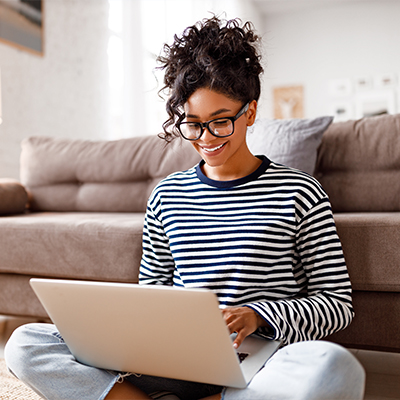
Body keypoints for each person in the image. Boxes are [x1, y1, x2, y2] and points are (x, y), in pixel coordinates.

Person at [5, 16, 365, 400]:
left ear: (251, 112)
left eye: (220, 122)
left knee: (333, 367)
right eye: (192, 124)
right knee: (25, 343)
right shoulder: (167, 195)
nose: (206, 138)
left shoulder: (300, 192)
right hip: (173, 359)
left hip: (261, 360)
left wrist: (259, 315)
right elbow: (151, 293)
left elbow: (336, 304)